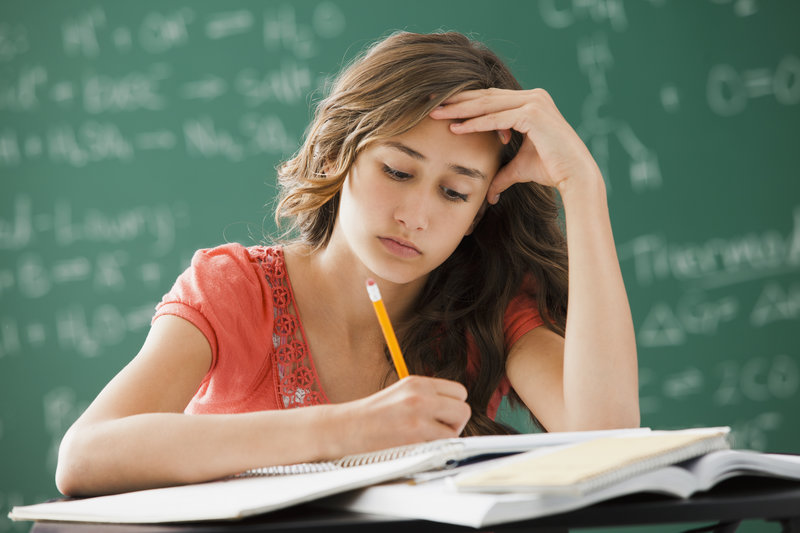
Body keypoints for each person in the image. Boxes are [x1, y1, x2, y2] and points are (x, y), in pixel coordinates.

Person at [55, 31, 639, 497]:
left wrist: (582, 187)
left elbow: (609, 438)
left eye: (455, 193)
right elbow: (84, 458)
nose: (415, 215)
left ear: (482, 207)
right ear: (341, 150)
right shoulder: (235, 288)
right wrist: (348, 430)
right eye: (397, 171)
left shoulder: (493, 304)